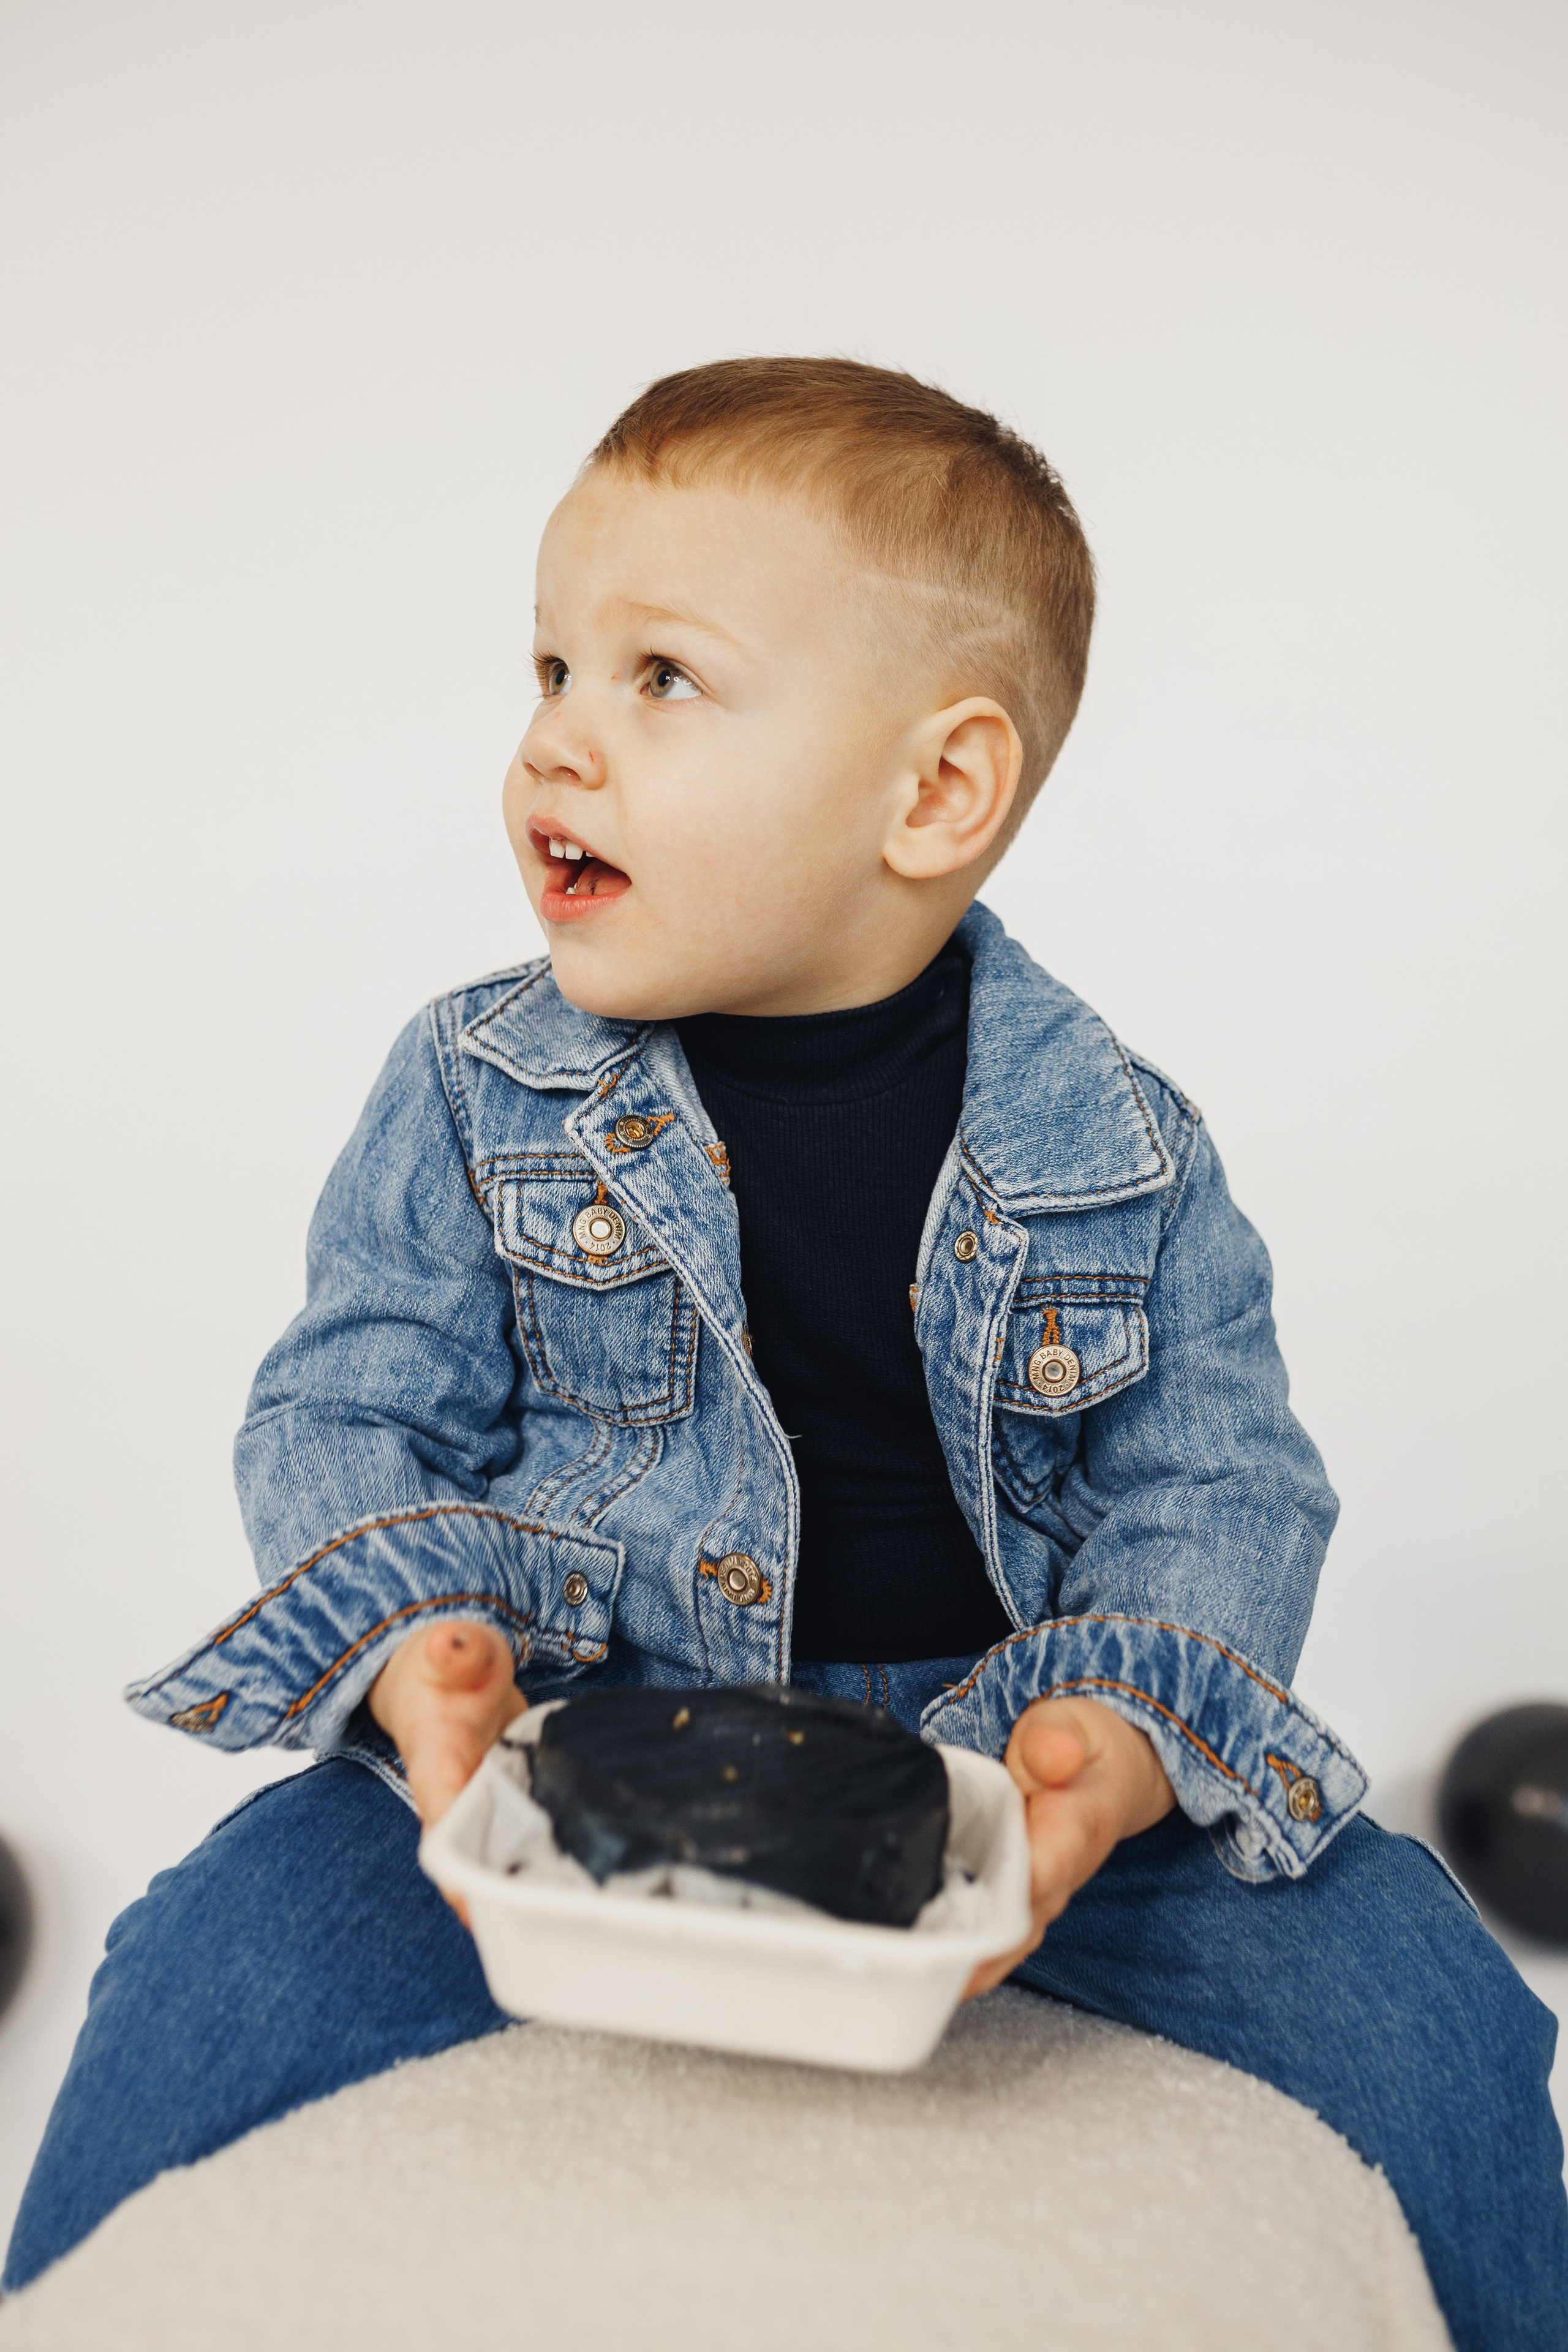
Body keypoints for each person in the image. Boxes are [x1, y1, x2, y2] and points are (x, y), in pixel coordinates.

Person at [6, 360, 1562, 2346]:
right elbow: (346, 1398)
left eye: (659, 679)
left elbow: (1223, 1482)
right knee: (201, 1964)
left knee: (1432, 2007)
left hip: (987, 1750)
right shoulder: (478, 1086)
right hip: (575, 1719)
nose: (558, 742)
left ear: (935, 792)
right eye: (548, 667)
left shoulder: (1126, 1146)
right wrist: (423, 1657)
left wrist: (1109, 1758)